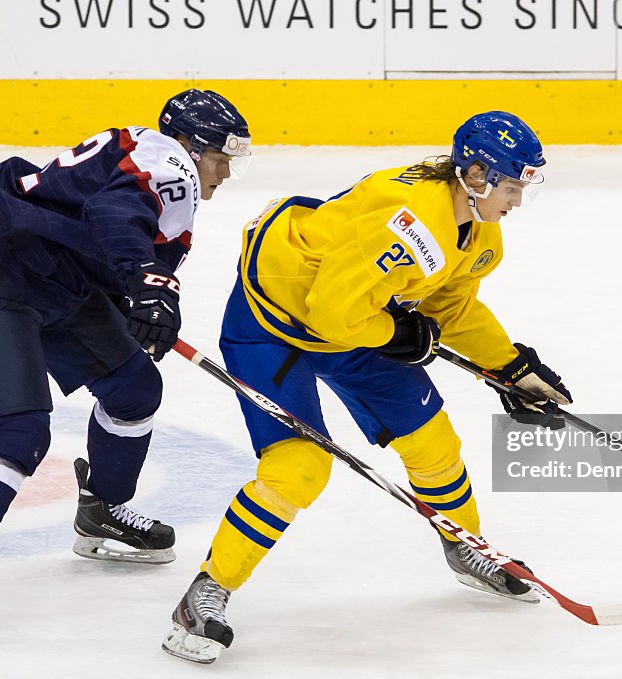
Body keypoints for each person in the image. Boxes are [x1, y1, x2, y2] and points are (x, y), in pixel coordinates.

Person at [161, 111, 572, 664]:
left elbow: (449, 307)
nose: (517, 200)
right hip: (274, 321)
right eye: (511, 185)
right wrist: (396, 331)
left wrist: (510, 365)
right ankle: (207, 592)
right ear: (475, 175)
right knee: (300, 468)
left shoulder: (479, 231)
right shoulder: (409, 223)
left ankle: (466, 546)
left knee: (433, 441)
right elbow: (330, 314)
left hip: (354, 317)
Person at [0, 89, 252, 648]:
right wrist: (147, 283)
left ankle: (102, 509)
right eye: (220, 157)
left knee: (133, 389)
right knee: (19, 431)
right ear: (190, 146)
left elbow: (107, 229)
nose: (226, 172)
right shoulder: (169, 161)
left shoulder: (152, 157)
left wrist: (140, 297)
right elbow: (118, 215)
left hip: (53, 275)